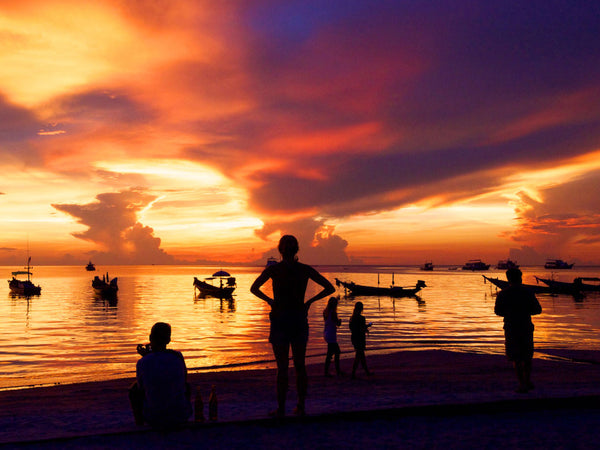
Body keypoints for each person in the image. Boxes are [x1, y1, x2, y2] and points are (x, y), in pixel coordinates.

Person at [250, 235, 336, 417]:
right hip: (297, 318)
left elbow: (254, 288)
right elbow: (330, 288)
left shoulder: (275, 270)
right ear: (296, 250)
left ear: (280, 250)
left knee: (282, 368)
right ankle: (300, 406)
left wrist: (270, 301)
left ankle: (282, 408)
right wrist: (309, 302)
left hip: (281, 319)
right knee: (299, 366)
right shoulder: (303, 270)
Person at [129, 322, 193, 428]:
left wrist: (146, 357)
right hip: (180, 416)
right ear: (168, 340)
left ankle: (139, 424)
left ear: (150, 338)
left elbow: (141, 388)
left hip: (154, 418)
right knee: (186, 386)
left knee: (134, 390)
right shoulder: (178, 357)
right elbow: (183, 380)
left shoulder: (143, 362)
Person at [494, 267, 542, 393]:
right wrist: (525, 311)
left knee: (516, 357)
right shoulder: (528, 292)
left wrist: (509, 313)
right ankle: (527, 381)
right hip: (525, 326)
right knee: (527, 356)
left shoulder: (503, 293)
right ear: (520, 277)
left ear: (508, 279)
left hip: (511, 327)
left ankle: (522, 383)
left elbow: (497, 311)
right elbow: (537, 310)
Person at [349, 301, 372, 379]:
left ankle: (366, 372)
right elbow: (362, 329)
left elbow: (353, 328)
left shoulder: (352, 318)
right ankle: (353, 373)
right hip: (360, 338)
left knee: (361, 356)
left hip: (354, 338)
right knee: (359, 355)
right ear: (361, 308)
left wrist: (365, 327)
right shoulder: (361, 318)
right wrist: (367, 326)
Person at [323, 296, 343, 377]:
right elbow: (337, 323)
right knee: (336, 352)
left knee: (331, 353)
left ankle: (332, 371)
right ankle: (334, 371)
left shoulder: (325, 312)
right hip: (331, 334)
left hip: (327, 332)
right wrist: (340, 321)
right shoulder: (333, 313)